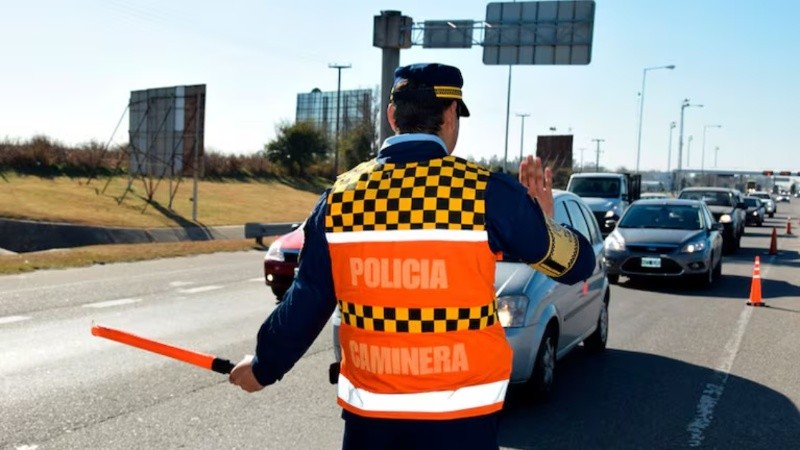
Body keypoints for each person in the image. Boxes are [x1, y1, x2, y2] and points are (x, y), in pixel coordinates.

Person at [229, 62, 595, 450]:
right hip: (461, 424)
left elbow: (308, 298)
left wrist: (263, 367)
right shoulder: (485, 193)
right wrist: (546, 222)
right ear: (451, 115)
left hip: (371, 425)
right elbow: (578, 265)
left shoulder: (339, 197)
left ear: (392, 116)